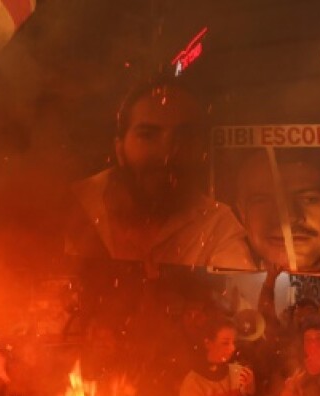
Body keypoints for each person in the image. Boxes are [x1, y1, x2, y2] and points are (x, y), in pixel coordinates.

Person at [71, 80, 254, 272]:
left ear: (201, 151)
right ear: (119, 149)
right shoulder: (74, 204)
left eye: (183, 137)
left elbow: (238, 295)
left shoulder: (217, 226)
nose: (166, 153)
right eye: (148, 135)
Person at [233, 150, 320, 279]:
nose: (288, 218)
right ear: (242, 213)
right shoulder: (234, 275)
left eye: (308, 199)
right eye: (263, 201)